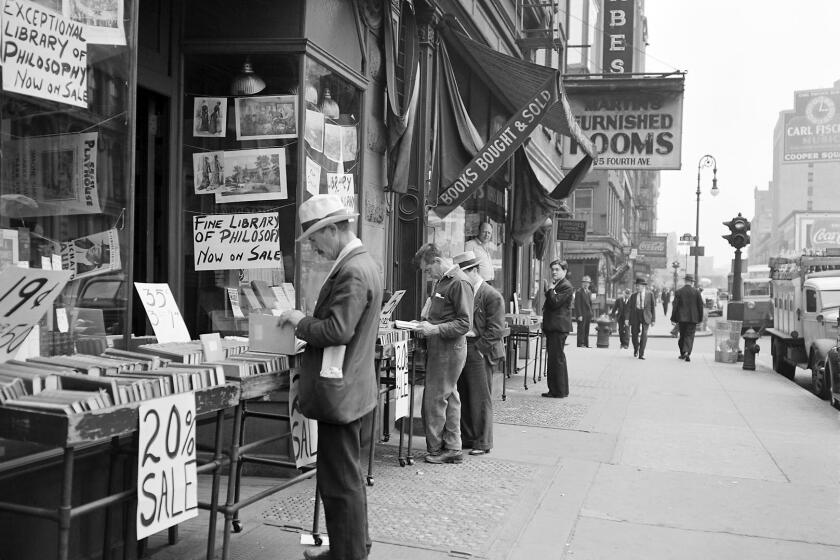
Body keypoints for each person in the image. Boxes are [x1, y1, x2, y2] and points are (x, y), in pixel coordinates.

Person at [277, 195, 381, 560]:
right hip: (352, 387)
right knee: (345, 477)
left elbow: (337, 330)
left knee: (340, 481)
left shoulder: (352, 270)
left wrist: (299, 321)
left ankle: (348, 555)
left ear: (333, 230)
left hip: (342, 392)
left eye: (315, 240)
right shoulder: (362, 263)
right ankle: (350, 547)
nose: (315, 249)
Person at [413, 243, 474, 464]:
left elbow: (465, 323)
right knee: (449, 397)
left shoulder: (458, 282)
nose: (428, 275)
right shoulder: (444, 281)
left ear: (438, 261)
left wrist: (434, 329)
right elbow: (443, 315)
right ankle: (452, 447)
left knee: (435, 399)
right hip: (442, 347)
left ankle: (438, 449)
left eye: (428, 270)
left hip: (449, 349)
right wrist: (425, 323)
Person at [453, 251, 505, 455]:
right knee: (465, 393)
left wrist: (480, 350)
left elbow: (496, 329)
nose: (462, 276)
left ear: (474, 271)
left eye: (464, 272)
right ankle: (468, 437)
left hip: (481, 349)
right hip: (467, 346)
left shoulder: (491, 295)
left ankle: (483, 442)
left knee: (481, 398)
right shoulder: (467, 290)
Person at [541, 259, 574, 398]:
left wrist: (549, 289)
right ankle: (557, 389)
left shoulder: (565, 286)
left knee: (557, 359)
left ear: (564, 271)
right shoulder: (559, 284)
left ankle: (558, 391)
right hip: (554, 327)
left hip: (558, 327)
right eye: (553, 269)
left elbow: (554, 303)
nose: (554, 272)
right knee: (555, 359)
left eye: (557, 269)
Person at [670, 274, 705, 362]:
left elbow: (675, 306)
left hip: (682, 318)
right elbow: (700, 306)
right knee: (689, 336)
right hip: (693, 318)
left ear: (685, 281)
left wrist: (673, 318)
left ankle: (683, 352)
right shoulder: (696, 292)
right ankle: (687, 352)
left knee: (682, 336)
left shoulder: (679, 292)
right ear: (692, 282)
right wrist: (700, 319)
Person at [628, 277, 656, 359]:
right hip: (636, 315)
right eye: (636, 285)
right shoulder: (633, 296)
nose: (637, 287)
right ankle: (636, 348)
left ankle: (641, 354)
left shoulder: (650, 294)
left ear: (643, 286)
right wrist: (627, 319)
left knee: (644, 334)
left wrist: (653, 320)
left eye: (638, 285)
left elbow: (653, 308)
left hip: (646, 315)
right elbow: (629, 308)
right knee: (634, 334)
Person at [573, 275, 593, 347]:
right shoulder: (579, 292)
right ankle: (580, 343)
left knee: (587, 329)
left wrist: (591, 313)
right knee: (581, 329)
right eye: (584, 282)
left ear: (589, 284)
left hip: (588, 314)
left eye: (587, 283)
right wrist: (579, 315)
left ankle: (586, 343)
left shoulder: (589, 292)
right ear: (582, 283)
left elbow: (590, 304)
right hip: (582, 314)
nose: (586, 284)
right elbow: (577, 305)